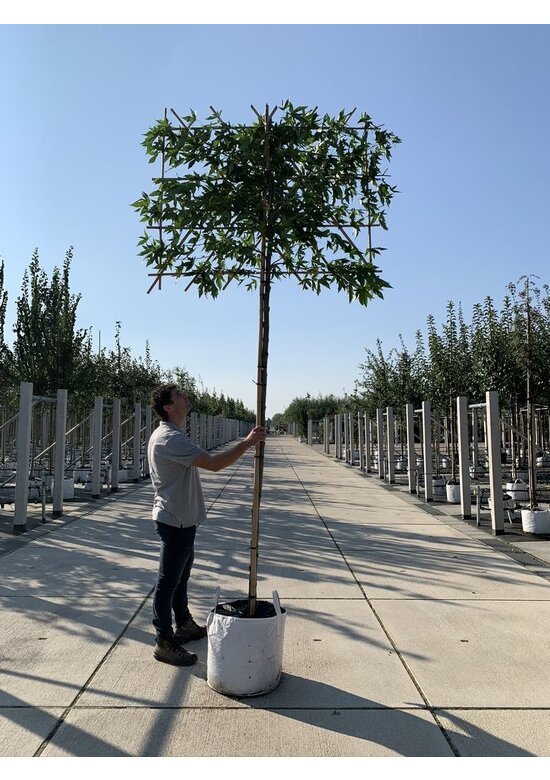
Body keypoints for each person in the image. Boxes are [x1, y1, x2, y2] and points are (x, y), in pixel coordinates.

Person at [147, 383, 266, 667]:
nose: (184, 396)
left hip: (181, 519)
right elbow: (213, 463)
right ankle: (164, 641)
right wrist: (247, 443)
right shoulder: (170, 438)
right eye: (178, 395)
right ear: (168, 407)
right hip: (175, 520)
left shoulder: (172, 434)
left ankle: (184, 623)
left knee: (180, 578)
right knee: (168, 582)